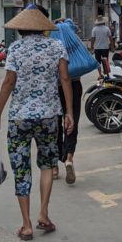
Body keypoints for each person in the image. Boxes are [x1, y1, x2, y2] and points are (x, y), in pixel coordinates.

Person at [0, 5, 73, 240]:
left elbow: (8, 82)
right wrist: (69, 112)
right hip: (49, 117)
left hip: (20, 118)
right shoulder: (56, 46)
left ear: (20, 29)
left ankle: (26, 225)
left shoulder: (15, 49)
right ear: (42, 27)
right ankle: (43, 213)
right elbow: (65, 78)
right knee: (47, 165)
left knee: (21, 169)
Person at [49, 18, 82, 185]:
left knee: (55, 124)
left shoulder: (51, 42)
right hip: (74, 84)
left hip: (55, 86)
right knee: (71, 122)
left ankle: (54, 166)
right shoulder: (72, 37)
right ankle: (69, 158)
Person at [90, 10, 113, 79]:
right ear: (103, 22)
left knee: (98, 62)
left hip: (97, 48)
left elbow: (93, 39)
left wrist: (91, 47)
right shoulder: (107, 28)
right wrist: (112, 46)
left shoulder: (94, 29)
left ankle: (100, 75)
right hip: (105, 47)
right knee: (105, 61)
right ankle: (107, 74)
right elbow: (110, 38)